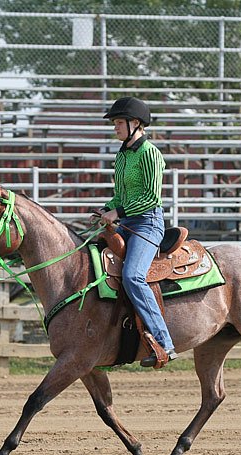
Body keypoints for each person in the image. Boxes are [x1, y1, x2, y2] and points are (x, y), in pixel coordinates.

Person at [94, 96, 177, 367]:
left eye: (119, 122)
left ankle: (164, 342)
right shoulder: (122, 154)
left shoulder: (150, 153)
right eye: (115, 123)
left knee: (132, 276)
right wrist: (106, 208)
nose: (115, 127)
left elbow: (151, 197)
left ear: (136, 124)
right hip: (127, 223)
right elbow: (121, 195)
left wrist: (117, 213)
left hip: (148, 224)